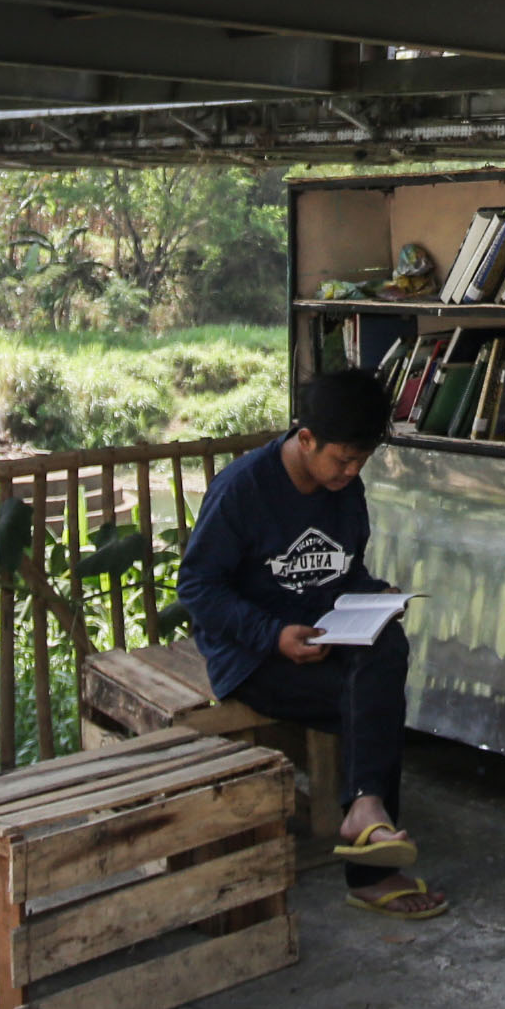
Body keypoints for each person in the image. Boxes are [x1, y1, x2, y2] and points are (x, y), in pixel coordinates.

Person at [176, 366, 446, 918]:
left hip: (322, 636)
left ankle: (365, 812)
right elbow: (197, 587)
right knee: (372, 696)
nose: (350, 472)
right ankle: (371, 862)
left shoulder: (344, 490)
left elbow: (340, 572)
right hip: (251, 656)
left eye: (359, 462)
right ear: (305, 439)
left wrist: (373, 596)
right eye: (341, 459)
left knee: (386, 651)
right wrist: (272, 636)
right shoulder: (244, 490)